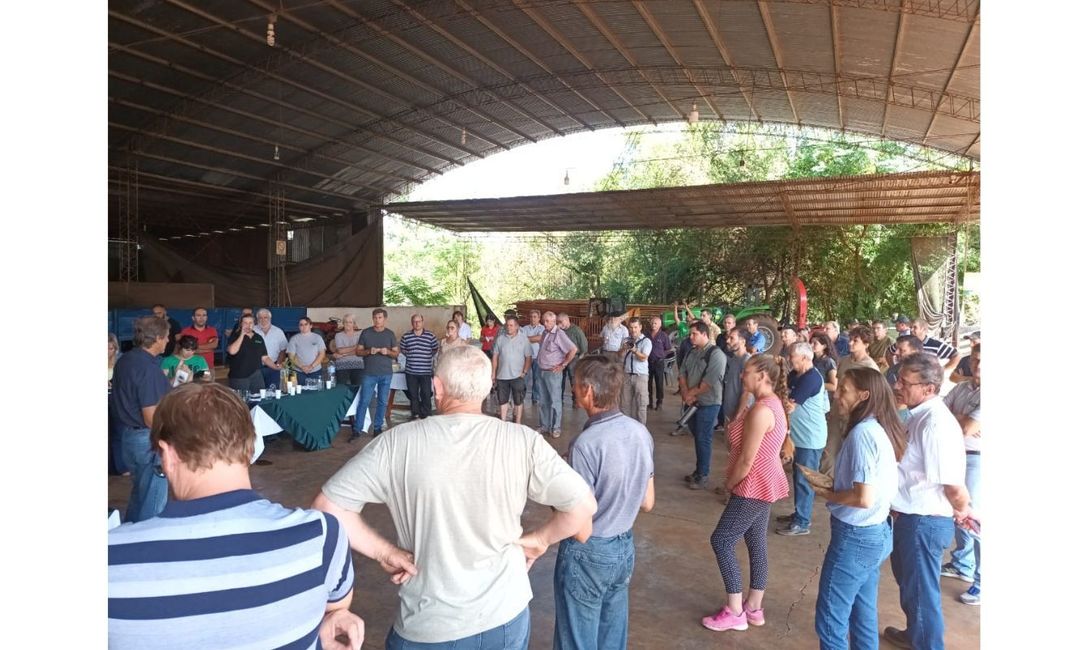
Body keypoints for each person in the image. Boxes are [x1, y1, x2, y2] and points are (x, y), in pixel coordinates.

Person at [314, 345, 597, 648]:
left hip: (430, 624)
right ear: (489, 387)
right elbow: (582, 506)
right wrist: (540, 540)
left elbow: (327, 508)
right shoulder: (523, 441)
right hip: (506, 616)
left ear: (437, 387)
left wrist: (386, 552)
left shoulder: (396, 443)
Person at [108, 382, 361, 650]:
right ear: (251, 449)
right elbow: (335, 611)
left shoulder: (111, 558)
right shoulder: (323, 536)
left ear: (168, 455)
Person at [553, 355, 655, 649]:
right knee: (612, 633)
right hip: (623, 547)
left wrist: (559, 486)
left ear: (587, 390)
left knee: (577, 639)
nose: (572, 390)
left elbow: (579, 525)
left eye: (574, 385)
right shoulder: (640, 432)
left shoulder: (586, 444)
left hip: (589, 551)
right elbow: (647, 501)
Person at [812, 367, 908, 650]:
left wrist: (828, 493)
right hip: (874, 533)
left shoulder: (863, 434)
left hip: (856, 536)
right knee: (862, 614)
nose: (837, 395)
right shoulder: (876, 428)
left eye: (844, 391)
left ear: (863, 396)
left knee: (830, 620)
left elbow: (863, 497)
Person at [882, 354, 972, 650]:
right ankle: (915, 633)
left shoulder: (935, 425)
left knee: (921, 592)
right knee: (911, 586)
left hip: (923, 520)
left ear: (929, 388)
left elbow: (953, 485)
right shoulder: (918, 415)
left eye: (905, 382)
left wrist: (962, 509)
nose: (898, 386)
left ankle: (928, 644)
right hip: (909, 516)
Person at [702, 354, 790, 632]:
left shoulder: (763, 410)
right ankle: (753, 606)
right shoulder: (768, 403)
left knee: (722, 540)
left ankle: (736, 611)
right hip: (764, 483)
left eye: (747, 372)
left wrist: (729, 484)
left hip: (753, 485)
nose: (742, 375)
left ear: (763, 375)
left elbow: (746, 459)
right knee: (755, 541)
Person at [111, 315, 172, 522]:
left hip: (129, 437)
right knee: (154, 503)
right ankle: (148, 548)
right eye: (166, 337)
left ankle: (130, 536)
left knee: (140, 494)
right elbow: (150, 418)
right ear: (156, 338)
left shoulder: (125, 360)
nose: (167, 341)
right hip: (148, 440)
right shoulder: (149, 369)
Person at [939, 344, 982, 606]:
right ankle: (962, 563)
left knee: (976, 517)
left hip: (978, 458)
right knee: (960, 513)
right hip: (958, 455)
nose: (977, 365)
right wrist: (961, 418)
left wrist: (961, 419)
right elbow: (939, 412)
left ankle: (982, 579)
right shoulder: (964, 388)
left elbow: (967, 427)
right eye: (975, 359)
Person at [776, 342, 829, 537]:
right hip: (799, 436)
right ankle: (799, 514)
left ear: (806, 358)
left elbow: (789, 405)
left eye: (793, 357)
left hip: (810, 437)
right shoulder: (796, 375)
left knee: (804, 479)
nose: (790, 360)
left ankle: (802, 521)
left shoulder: (811, 378)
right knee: (798, 477)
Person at [821, 327, 881, 476]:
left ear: (866, 344)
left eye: (856, 341)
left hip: (855, 413)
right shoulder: (844, 361)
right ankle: (829, 482)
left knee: (851, 450)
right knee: (830, 448)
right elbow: (838, 385)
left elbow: (873, 397)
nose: (851, 343)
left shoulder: (870, 367)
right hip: (837, 410)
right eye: (850, 339)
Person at [677, 322, 727, 490]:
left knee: (703, 438)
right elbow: (682, 372)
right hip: (691, 402)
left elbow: (709, 382)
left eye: (694, 334)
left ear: (704, 335)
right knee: (697, 435)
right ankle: (698, 470)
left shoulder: (716, 354)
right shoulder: (692, 351)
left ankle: (702, 474)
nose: (690, 337)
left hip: (708, 403)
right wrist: (685, 392)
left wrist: (690, 394)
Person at [351, 308, 399, 440]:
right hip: (369, 373)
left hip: (386, 373)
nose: (377, 320)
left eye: (380, 317)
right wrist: (368, 351)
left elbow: (396, 353)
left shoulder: (390, 334)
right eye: (375, 318)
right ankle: (357, 429)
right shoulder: (366, 333)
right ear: (372, 319)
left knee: (383, 402)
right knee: (364, 401)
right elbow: (358, 352)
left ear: (385, 319)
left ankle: (377, 428)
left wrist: (387, 352)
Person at [536, 311, 578, 438]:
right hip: (542, 371)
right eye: (544, 321)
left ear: (554, 322)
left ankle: (556, 427)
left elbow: (573, 349)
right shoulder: (545, 332)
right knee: (543, 400)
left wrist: (563, 365)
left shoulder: (559, 334)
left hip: (553, 373)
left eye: (548, 321)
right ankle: (544, 425)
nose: (545, 323)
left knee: (555, 401)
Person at [492, 315, 533, 424]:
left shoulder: (524, 339)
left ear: (517, 327)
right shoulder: (500, 339)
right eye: (507, 325)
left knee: (518, 400)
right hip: (502, 375)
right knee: (502, 400)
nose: (508, 327)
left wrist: (524, 372)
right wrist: (493, 373)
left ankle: (518, 422)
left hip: (517, 376)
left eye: (511, 325)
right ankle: (503, 421)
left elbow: (528, 357)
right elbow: (495, 356)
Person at [400, 314, 439, 420]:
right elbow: (402, 349)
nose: (417, 323)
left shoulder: (430, 336)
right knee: (413, 394)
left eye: (419, 321)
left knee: (426, 393)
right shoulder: (406, 336)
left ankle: (426, 414)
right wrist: (411, 355)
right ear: (412, 323)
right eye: (414, 321)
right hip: (411, 371)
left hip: (426, 371)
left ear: (423, 322)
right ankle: (415, 414)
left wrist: (426, 356)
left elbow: (435, 349)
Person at [226, 313, 275, 394]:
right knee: (241, 403)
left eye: (250, 323)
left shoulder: (258, 337)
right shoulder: (235, 335)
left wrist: (275, 367)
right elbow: (232, 351)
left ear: (254, 324)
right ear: (241, 324)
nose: (248, 325)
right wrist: (242, 335)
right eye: (245, 323)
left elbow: (265, 357)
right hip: (239, 376)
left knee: (259, 399)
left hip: (256, 375)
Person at [619, 317, 653, 424]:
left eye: (635, 327)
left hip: (640, 376)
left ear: (640, 327)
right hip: (627, 375)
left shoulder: (646, 341)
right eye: (631, 327)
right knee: (624, 404)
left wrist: (634, 350)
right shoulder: (626, 340)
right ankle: (627, 427)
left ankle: (641, 430)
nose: (633, 330)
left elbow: (643, 357)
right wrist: (624, 349)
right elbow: (619, 356)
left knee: (641, 404)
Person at [557, 312, 588, 406]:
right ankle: (559, 399)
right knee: (559, 379)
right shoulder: (559, 330)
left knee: (573, 380)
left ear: (566, 320)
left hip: (574, 358)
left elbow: (584, 344)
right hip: (561, 357)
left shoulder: (576, 330)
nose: (559, 324)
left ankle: (576, 400)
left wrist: (581, 358)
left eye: (561, 322)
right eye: (558, 322)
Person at [255, 308, 289, 389]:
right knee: (257, 391)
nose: (263, 320)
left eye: (265, 317)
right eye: (260, 318)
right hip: (256, 368)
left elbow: (283, 350)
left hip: (273, 368)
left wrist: (278, 364)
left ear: (270, 318)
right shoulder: (252, 331)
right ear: (257, 319)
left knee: (273, 390)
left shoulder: (278, 332)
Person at [288, 316, 327, 384]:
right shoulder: (294, 339)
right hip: (299, 372)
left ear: (311, 326)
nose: (304, 326)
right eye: (301, 325)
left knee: (316, 393)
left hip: (315, 371)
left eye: (306, 324)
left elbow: (322, 354)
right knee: (300, 392)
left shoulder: (318, 338)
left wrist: (312, 366)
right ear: (299, 326)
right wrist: (302, 367)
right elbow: (291, 357)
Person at [646, 315, 673, 411]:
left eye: (655, 323)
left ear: (660, 325)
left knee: (659, 383)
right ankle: (649, 402)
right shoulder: (646, 334)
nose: (653, 325)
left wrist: (661, 355)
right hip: (647, 362)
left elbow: (669, 348)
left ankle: (659, 402)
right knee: (647, 383)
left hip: (659, 362)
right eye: (652, 323)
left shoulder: (663, 336)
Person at [331, 313, 365, 386]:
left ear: (354, 324)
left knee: (357, 388)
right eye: (346, 322)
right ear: (343, 323)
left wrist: (343, 354)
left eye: (350, 322)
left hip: (358, 365)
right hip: (342, 365)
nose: (348, 324)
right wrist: (356, 346)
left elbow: (360, 351)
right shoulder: (338, 335)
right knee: (341, 389)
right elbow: (340, 350)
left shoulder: (360, 334)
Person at [522, 309, 546, 405]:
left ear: (539, 318)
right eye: (531, 317)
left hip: (537, 357)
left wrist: (527, 339)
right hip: (526, 356)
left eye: (535, 317)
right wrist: (534, 338)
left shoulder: (542, 328)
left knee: (537, 378)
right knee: (524, 378)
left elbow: (540, 338)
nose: (533, 319)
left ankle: (535, 398)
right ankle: (521, 396)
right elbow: (521, 340)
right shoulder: (524, 328)